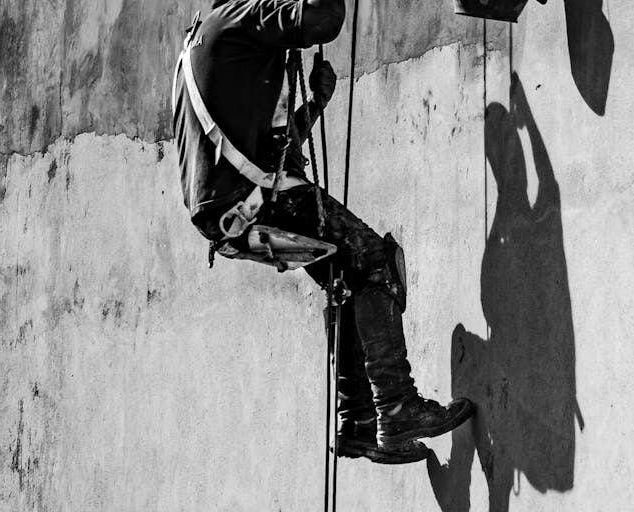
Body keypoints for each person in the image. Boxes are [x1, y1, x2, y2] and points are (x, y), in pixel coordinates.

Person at [172, 0, 474, 464]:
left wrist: (312, 105)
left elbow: (254, 146)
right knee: (375, 263)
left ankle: (361, 423)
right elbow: (325, 19)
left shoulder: (201, 40)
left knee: (348, 283)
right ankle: (395, 409)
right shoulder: (239, 17)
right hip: (261, 201)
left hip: (234, 222)